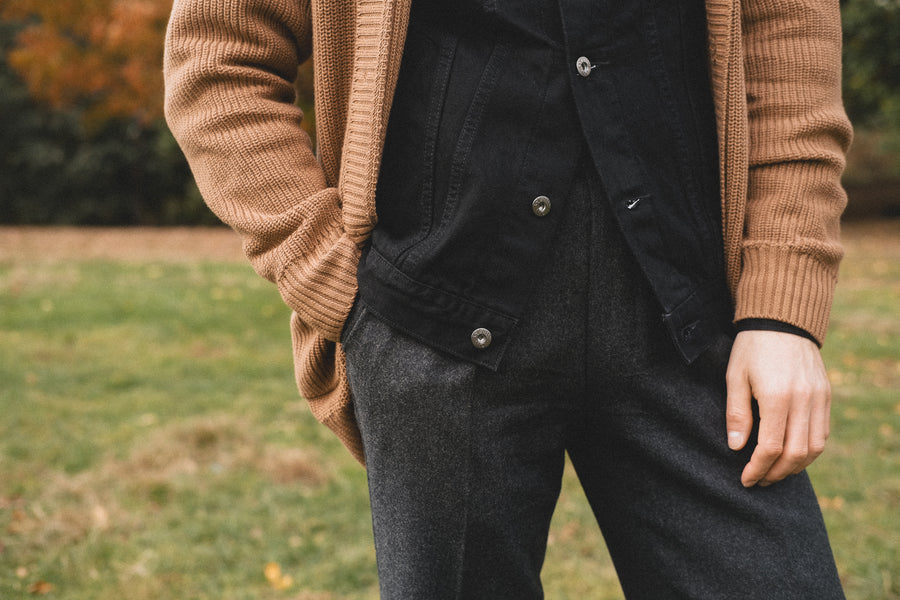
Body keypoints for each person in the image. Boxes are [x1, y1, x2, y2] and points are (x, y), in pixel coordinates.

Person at [164, 0, 852, 597]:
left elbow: (789, 57)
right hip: (430, 326)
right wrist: (334, 280)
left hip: (692, 323)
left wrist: (782, 311)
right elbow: (218, 62)